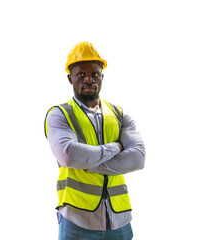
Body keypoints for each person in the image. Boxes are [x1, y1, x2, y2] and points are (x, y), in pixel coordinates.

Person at [44, 42, 145, 240]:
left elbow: (138, 159)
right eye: (81, 74)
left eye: (94, 74)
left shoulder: (118, 114)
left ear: (102, 76)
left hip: (119, 219)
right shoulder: (60, 114)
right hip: (77, 218)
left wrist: (90, 163)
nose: (88, 79)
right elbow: (69, 156)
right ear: (69, 78)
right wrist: (116, 147)